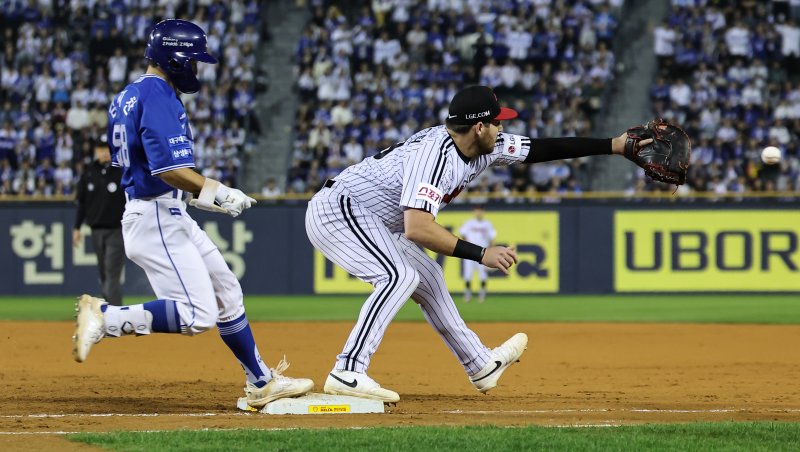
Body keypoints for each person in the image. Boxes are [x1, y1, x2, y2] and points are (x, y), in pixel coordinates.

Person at [305, 85, 654, 402]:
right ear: (479, 127)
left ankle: (480, 364)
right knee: (399, 276)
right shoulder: (434, 157)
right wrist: (481, 254)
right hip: (340, 209)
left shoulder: (486, 146)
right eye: (497, 122)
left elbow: (542, 148)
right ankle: (347, 371)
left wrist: (615, 146)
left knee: (428, 278)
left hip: (375, 219)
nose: (502, 128)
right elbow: (418, 228)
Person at [71, 19, 313, 408]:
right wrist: (215, 192)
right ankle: (105, 317)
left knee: (227, 293)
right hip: (155, 217)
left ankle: (261, 381)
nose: (197, 67)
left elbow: (147, 166)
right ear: (176, 58)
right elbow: (166, 169)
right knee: (197, 315)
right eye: (194, 60)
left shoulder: (128, 95)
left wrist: (200, 196)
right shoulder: (158, 95)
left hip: (163, 211)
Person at [73, 141, 126, 306]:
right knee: (104, 272)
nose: (104, 153)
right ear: (95, 151)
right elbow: (82, 203)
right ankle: (109, 312)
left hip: (117, 230)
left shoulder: (121, 171)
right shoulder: (89, 172)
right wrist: (76, 227)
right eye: (101, 149)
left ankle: (114, 313)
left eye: (107, 149)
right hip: (96, 230)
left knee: (111, 272)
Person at [459, 205, 495, 303]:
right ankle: (468, 293)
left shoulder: (487, 224)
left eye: (480, 211)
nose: (479, 213)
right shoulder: (469, 223)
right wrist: (466, 247)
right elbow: (463, 234)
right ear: (474, 212)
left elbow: (492, 239)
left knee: (483, 275)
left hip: (482, 253)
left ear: (483, 212)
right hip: (469, 253)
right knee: (468, 274)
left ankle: (482, 294)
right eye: (477, 211)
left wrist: (491, 251)